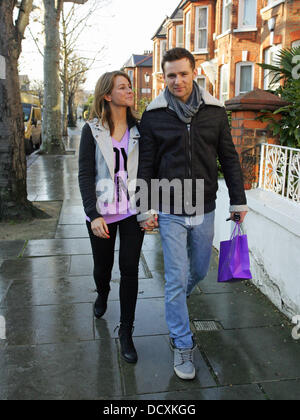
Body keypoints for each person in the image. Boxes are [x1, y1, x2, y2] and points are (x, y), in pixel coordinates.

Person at [137, 48, 248, 380]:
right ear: (164, 76)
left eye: (183, 74)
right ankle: (182, 343)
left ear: (194, 72)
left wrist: (238, 202)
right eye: (171, 75)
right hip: (169, 208)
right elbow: (146, 165)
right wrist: (144, 207)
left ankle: (175, 308)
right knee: (174, 277)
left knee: (198, 270)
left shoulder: (215, 111)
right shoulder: (154, 115)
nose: (177, 81)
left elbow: (228, 158)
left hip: (205, 206)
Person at [78, 71, 144, 364]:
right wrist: (92, 214)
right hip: (102, 215)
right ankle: (102, 293)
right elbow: (85, 174)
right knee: (102, 268)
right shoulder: (91, 130)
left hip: (132, 214)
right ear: (107, 95)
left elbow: (147, 170)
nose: (129, 90)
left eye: (130, 86)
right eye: (122, 87)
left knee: (129, 269)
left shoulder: (140, 129)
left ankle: (126, 332)